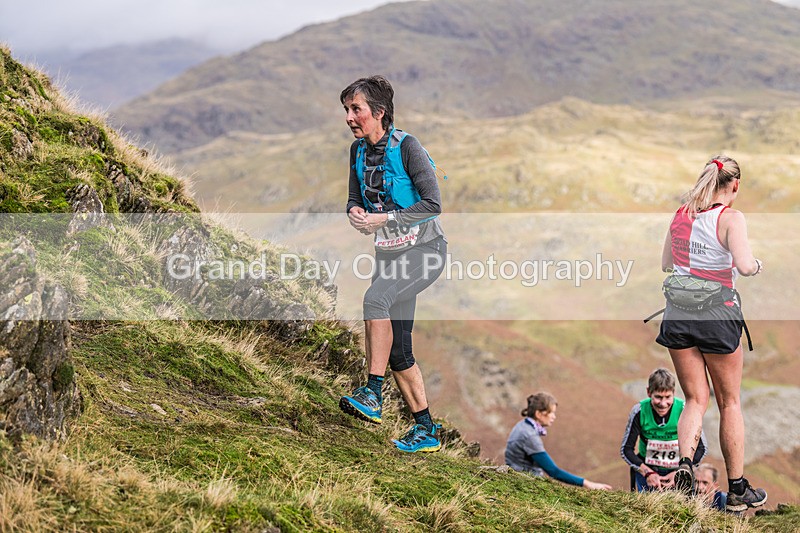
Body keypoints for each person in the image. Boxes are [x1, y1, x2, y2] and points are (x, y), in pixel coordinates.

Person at [337, 75, 448, 453]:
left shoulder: (408, 147)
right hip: (388, 253)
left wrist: (383, 219)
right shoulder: (356, 151)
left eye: (356, 109)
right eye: (347, 110)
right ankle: (426, 429)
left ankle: (372, 393)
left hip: (424, 251)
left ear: (379, 112)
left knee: (375, 300)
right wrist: (355, 214)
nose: (349, 117)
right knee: (399, 351)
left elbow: (432, 204)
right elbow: (354, 198)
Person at [657, 155, 767, 512]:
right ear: (735, 185)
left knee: (694, 399)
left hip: (677, 314)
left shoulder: (681, 214)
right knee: (729, 402)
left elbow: (667, 264)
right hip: (717, 315)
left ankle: (685, 465)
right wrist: (756, 266)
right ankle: (737, 490)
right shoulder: (731, 218)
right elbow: (745, 266)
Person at [620, 368, 707, 492]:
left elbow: (702, 448)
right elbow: (626, 449)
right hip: (648, 471)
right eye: (658, 397)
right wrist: (647, 473)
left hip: (678, 470)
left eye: (668, 397)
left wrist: (681, 472)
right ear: (648, 392)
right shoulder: (639, 411)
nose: (663, 403)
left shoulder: (685, 410)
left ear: (674, 393)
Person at [505, 392, 612, 490]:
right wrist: (588, 484)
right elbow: (553, 471)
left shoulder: (522, 426)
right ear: (539, 414)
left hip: (520, 478)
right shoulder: (529, 435)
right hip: (526, 483)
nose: (554, 417)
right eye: (551, 413)